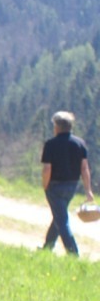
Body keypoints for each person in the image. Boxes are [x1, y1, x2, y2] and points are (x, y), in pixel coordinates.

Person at [39, 110, 93, 256]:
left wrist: (45, 185)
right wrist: (88, 190)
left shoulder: (50, 144)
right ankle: (47, 248)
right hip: (72, 186)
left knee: (62, 221)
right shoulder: (80, 143)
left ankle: (73, 253)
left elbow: (47, 169)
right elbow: (84, 168)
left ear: (57, 126)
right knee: (59, 216)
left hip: (54, 186)